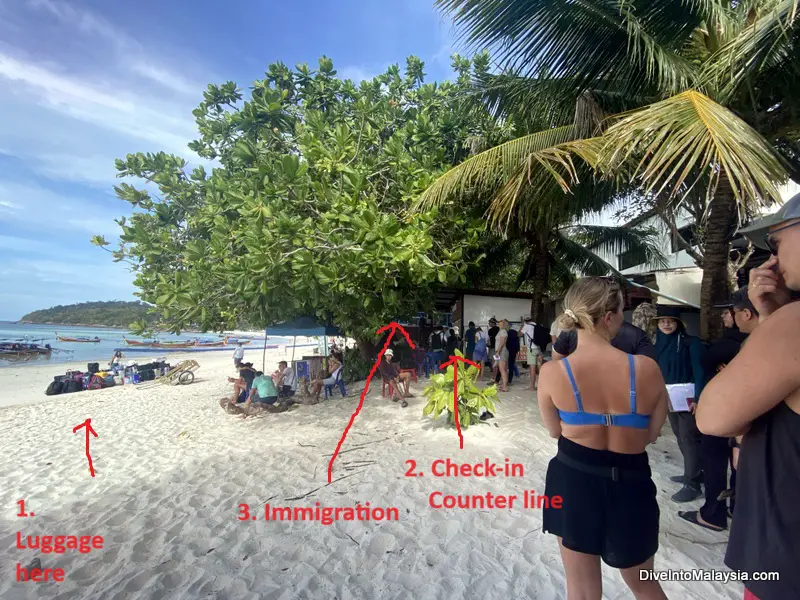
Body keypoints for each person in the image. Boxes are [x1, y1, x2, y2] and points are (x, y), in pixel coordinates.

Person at [537, 277, 669, 600]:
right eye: (622, 311)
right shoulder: (647, 370)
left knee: (582, 591)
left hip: (574, 480)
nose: (623, 319)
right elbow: (651, 435)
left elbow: (555, 431)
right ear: (608, 318)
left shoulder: (554, 373)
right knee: (644, 583)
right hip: (631, 483)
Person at [697, 195, 800, 600]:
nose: (771, 257)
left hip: (785, 560)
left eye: (776, 242)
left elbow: (713, 417)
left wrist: (771, 325)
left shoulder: (793, 326)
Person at [681, 287, 757, 532]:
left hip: (727, 413)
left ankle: (713, 514)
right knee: (739, 465)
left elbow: (708, 359)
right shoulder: (766, 340)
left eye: (730, 313)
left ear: (745, 314)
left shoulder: (737, 343)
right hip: (749, 417)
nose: (725, 318)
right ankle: (736, 507)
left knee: (715, 462)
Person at [652, 305, 708, 503]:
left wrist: (699, 399)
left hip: (688, 399)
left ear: (678, 323)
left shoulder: (690, 343)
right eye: (662, 321)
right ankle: (694, 473)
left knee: (689, 437)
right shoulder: (657, 344)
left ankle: (692, 484)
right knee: (679, 436)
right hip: (668, 398)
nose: (666, 324)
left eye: (670, 320)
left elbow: (700, 372)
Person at [552, 320, 657, 362]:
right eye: (621, 309)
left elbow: (558, 359)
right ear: (609, 316)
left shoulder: (570, 331)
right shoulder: (638, 334)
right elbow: (648, 369)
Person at [494, 319, 510, 392]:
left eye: (500, 324)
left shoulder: (503, 331)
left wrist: (498, 352)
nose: (499, 324)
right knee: (503, 369)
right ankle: (504, 385)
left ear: (503, 325)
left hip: (502, 352)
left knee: (502, 369)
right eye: (499, 323)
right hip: (502, 351)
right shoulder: (502, 331)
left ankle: (505, 387)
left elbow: (502, 343)